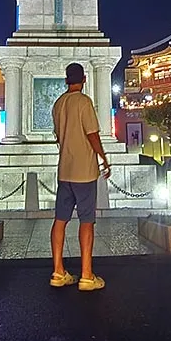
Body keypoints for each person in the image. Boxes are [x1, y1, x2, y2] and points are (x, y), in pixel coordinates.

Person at [49, 61, 110, 291]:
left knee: (60, 220)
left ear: (66, 80)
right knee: (86, 221)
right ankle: (86, 274)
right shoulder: (84, 102)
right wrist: (103, 157)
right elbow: (92, 134)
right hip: (84, 171)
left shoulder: (58, 104)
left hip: (65, 170)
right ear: (84, 79)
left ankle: (58, 271)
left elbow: (58, 135)